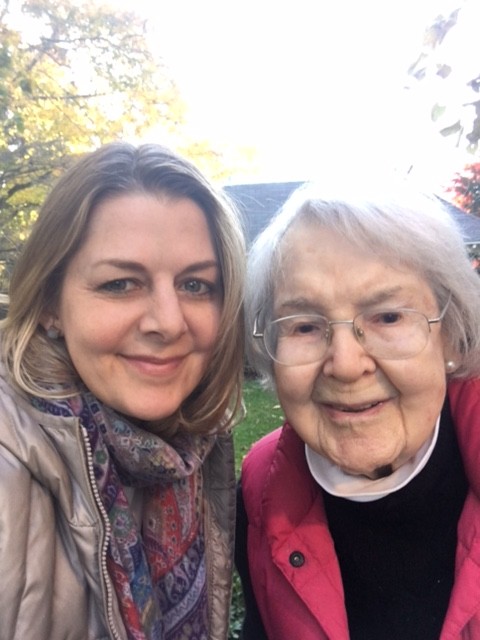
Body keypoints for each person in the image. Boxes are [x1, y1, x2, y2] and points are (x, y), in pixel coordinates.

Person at [0, 141, 245, 640]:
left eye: (196, 285)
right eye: (120, 284)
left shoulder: (196, 445)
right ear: (50, 303)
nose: (168, 322)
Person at [235, 179, 480, 640]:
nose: (346, 365)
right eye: (305, 325)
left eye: (388, 316)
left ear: (451, 331)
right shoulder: (259, 489)